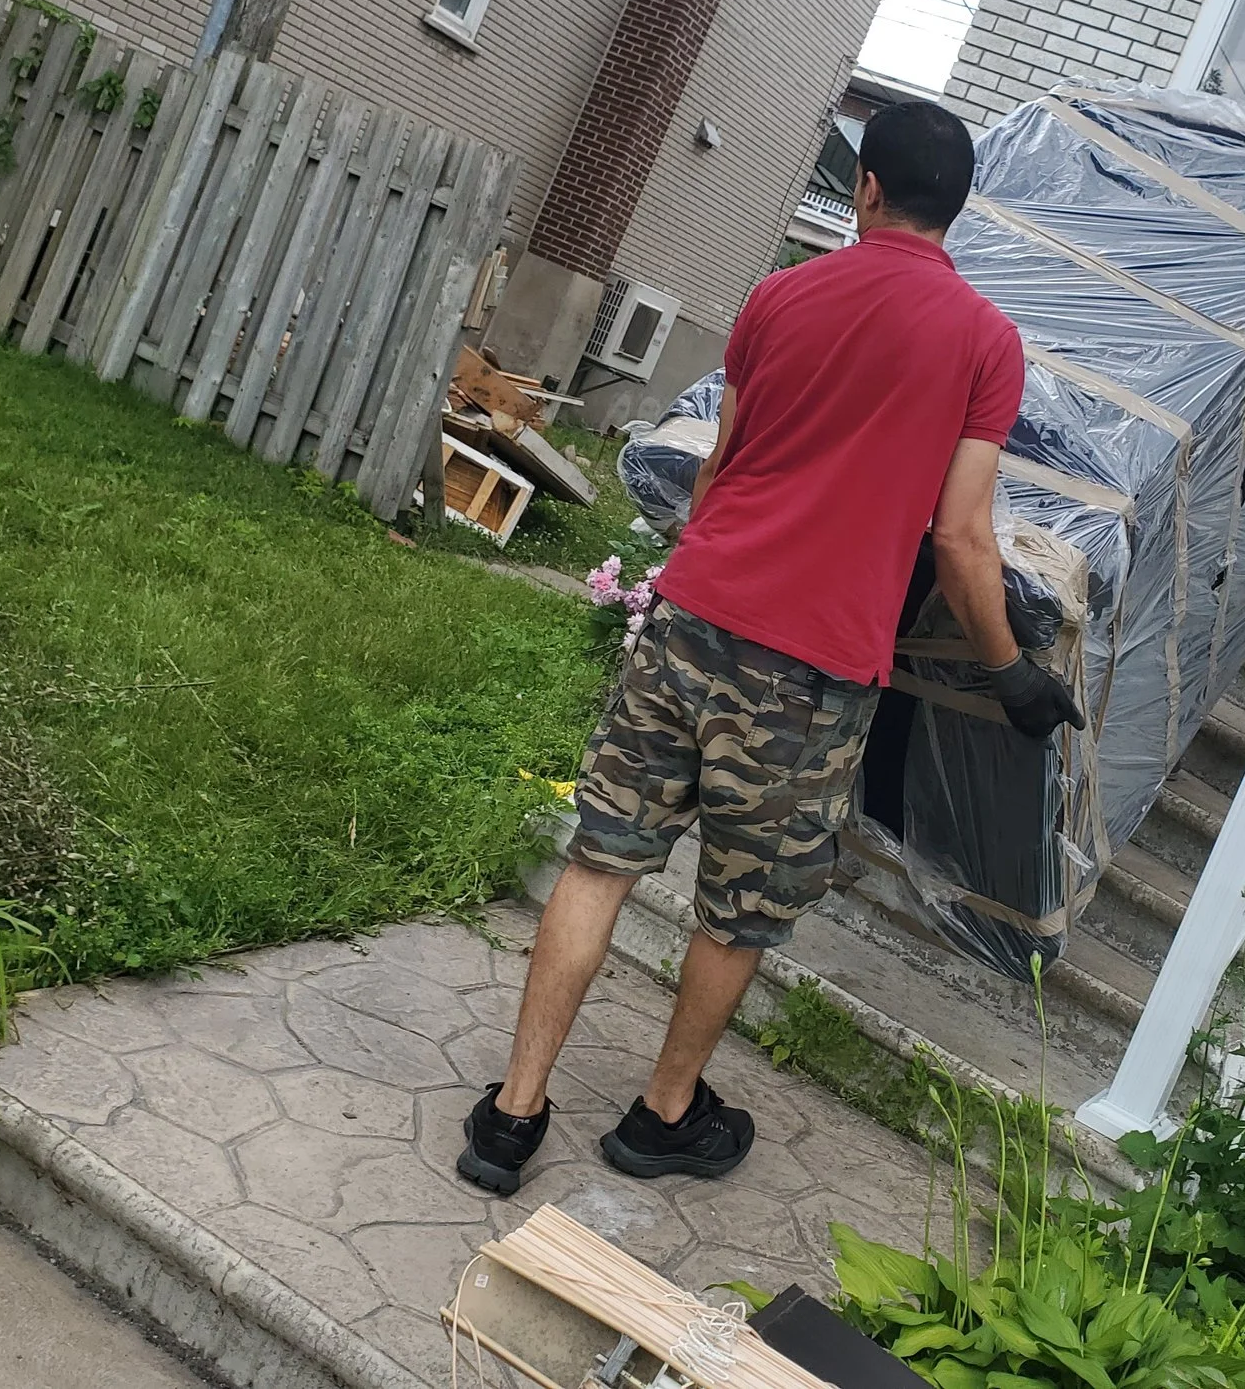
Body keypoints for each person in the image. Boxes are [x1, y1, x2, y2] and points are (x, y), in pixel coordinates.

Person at [458, 101, 1084, 1194]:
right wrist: (1012, 674)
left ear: (867, 188)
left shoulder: (779, 295)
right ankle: (661, 1116)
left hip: (691, 617)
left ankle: (512, 1115)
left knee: (602, 858)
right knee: (740, 909)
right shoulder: (986, 342)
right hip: (812, 672)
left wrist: (709, 569)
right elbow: (961, 536)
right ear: (958, 209)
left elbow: (719, 464)